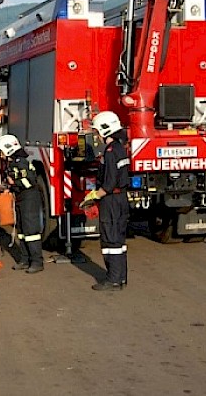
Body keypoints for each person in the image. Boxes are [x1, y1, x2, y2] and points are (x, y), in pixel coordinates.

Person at [82, 111, 130, 291]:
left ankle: (113, 280)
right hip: (121, 199)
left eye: (96, 132)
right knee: (119, 239)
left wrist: (94, 195)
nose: (95, 135)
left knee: (111, 240)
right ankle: (121, 277)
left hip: (111, 200)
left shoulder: (110, 152)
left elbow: (109, 184)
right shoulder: (119, 149)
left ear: (104, 130)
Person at [0, 134, 44, 274]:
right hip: (21, 198)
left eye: (1, 151)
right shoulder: (14, 162)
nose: (1, 155)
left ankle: (37, 262)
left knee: (31, 231)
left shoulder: (20, 162)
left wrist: (13, 183)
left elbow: (30, 182)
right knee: (22, 230)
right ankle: (25, 259)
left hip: (29, 198)